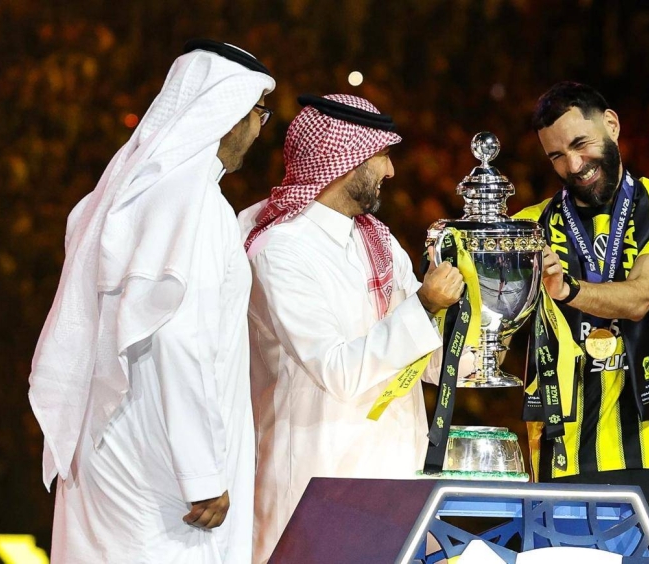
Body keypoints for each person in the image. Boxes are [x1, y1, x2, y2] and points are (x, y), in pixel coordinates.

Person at [28, 40, 275, 563]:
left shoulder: (125, 193)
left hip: (108, 452)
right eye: (260, 113)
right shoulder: (194, 204)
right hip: (161, 475)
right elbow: (178, 340)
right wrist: (201, 472)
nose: (259, 130)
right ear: (229, 111)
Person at [240, 93, 467, 562]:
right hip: (318, 488)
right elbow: (338, 370)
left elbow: (432, 362)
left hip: (397, 483)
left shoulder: (376, 239)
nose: (391, 170)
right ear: (345, 161)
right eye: (382, 155)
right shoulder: (280, 250)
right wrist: (425, 305)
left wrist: (483, 321)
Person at [514, 82, 649, 563]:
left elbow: (642, 296)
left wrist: (569, 290)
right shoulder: (527, 230)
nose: (573, 165)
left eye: (580, 144)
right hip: (564, 460)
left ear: (612, 124)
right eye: (557, 156)